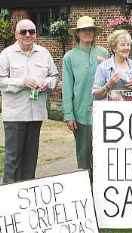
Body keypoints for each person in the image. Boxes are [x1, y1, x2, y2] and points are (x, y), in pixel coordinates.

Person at [0, 19, 58, 183]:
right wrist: (22, 82)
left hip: (36, 113)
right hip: (15, 115)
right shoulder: (6, 54)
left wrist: (45, 84)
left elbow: (54, 77)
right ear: (16, 34)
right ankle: (8, 199)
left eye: (31, 31)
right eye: (23, 31)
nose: (28, 34)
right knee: (13, 160)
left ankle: (27, 198)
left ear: (35, 34)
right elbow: (1, 81)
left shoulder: (44, 53)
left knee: (30, 159)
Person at [63, 16, 108, 181]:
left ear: (95, 32)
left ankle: (100, 190)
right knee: (83, 155)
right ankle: (85, 192)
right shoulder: (69, 57)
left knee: (102, 155)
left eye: (90, 29)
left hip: (103, 112)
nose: (87, 32)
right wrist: (68, 114)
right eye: (84, 30)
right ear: (77, 34)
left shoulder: (103, 53)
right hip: (81, 113)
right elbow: (67, 87)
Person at [93, 30, 132, 100]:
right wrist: (108, 85)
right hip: (110, 110)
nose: (126, 48)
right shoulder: (103, 67)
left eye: (128, 44)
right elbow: (95, 95)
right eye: (122, 45)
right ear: (114, 48)